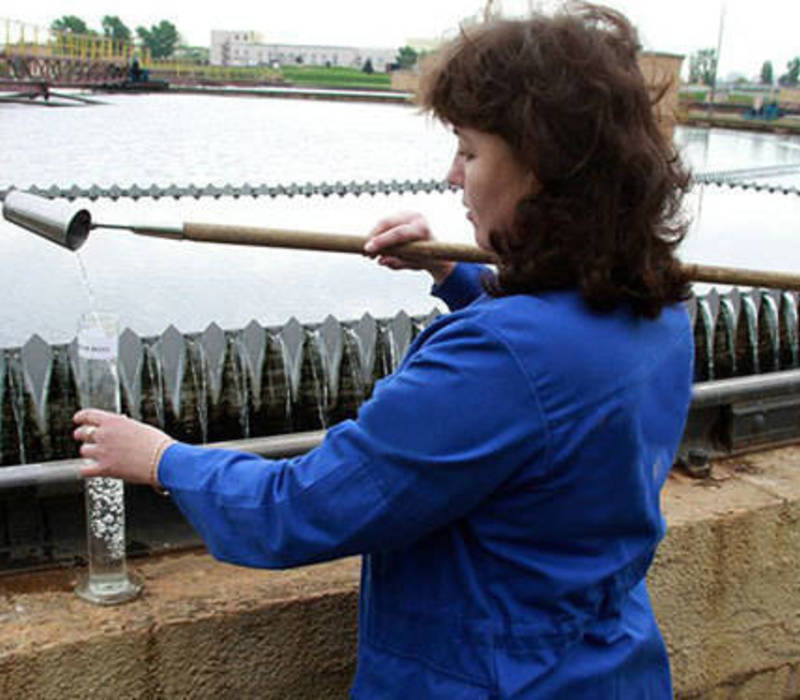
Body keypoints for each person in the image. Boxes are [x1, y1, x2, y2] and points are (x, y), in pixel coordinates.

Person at [74, 4, 693, 697]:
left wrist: (163, 461)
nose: (452, 176)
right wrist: (451, 274)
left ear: (542, 167)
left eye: (469, 149)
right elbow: (558, 379)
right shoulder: (659, 307)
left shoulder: (495, 358)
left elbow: (301, 510)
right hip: (611, 669)